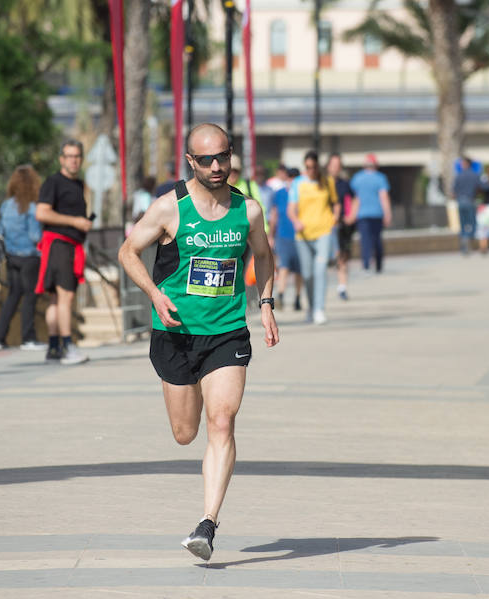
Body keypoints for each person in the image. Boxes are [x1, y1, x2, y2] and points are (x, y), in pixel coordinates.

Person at [118, 123, 278, 561]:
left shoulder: (248, 211)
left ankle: (207, 524)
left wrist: (265, 302)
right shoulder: (170, 208)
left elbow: (263, 256)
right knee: (186, 433)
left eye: (223, 157)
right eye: (206, 159)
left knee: (222, 422)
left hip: (227, 332)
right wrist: (154, 294)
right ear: (190, 161)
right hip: (176, 335)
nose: (216, 166)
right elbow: (128, 252)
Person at [34, 140, 91, 366]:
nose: (73, 160)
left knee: (57, 298)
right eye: (69, 156)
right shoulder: (53, 182)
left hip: (70, 246)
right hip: (59, 244)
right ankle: (67, 345)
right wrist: (75, 222)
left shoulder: (78, 184)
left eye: (77, 156)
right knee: (65, 296)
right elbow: (41, 212)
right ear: (61, 159)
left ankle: (54, 347)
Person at [0, 165, 46, 351]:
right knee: (30, 297)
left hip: (11, 256)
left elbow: (1, 232)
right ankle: (28, 338)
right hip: (30, 257)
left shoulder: (6, 206)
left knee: (13, 296)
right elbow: (35, 237)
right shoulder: (31, 207)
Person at [288, 150, 339, 324]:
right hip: (303, 235)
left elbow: (335, 203)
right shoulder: (297, 183)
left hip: (323, 231)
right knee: (308, 274)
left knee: (320, 268)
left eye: (313, 167)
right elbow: (291, 208)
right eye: (307, 167)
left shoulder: (327, 182)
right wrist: (295, 221)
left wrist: (334, 218)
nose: (310, 170)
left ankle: (319, 309)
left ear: (318, 166)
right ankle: (311, 307)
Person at [269, 167, 304, 311]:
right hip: (283, 235)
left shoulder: (303, 193)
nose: (292, 181)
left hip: (301, 236)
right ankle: (281, 295)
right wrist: (271, 235)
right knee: (283, 266)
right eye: (290, 178)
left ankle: (297, 297)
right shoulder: (279, 194)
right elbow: (274, 215)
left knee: (299, 270)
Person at [350, 153, 391, 273]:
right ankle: (378, 265)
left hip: (362, 214)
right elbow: (384, 197)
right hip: (377, 214)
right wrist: (387, 214)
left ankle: (366, 264)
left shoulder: (357, 178)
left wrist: (352, 214)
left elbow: (355, 198)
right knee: (377, 239)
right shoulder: (380, 178)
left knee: (365, 240)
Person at [327, 152, 357, 300]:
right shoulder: (323, 184)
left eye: (338, 166)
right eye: (333, 165)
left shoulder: (345, 184)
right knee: (329, 258)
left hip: (343, 225)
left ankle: (342, 286)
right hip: (325, 227)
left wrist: (352, 215)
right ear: (328, 167)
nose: (335, 168)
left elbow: (354, 199)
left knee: (343, 257)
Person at [453, 157, 481, 255]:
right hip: (470, 200)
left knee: (463, 223)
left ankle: (464, 240)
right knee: (472, 223)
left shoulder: (458, 175)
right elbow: (481, 187)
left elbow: (454, 191)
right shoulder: (475, 175)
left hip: (460, 201)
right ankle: (468, 237)